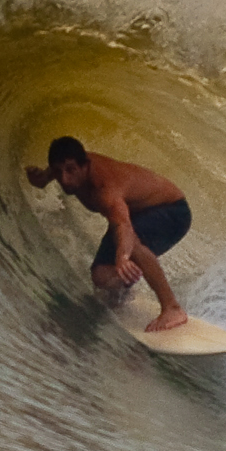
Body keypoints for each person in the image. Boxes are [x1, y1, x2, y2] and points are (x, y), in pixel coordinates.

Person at [26, 136, 191, 331]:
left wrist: (122, 257)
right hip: (137, 213)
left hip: (172, 211)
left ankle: (172, 308)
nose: (64, 179)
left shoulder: (105, 189)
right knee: (101, 276)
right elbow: (62, 167)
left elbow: (124, 226)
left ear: (85, 165)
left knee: (133, 247)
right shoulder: (69, 165)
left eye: (70, 171)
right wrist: (44, 178)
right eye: (57, 172)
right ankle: (122, 294)